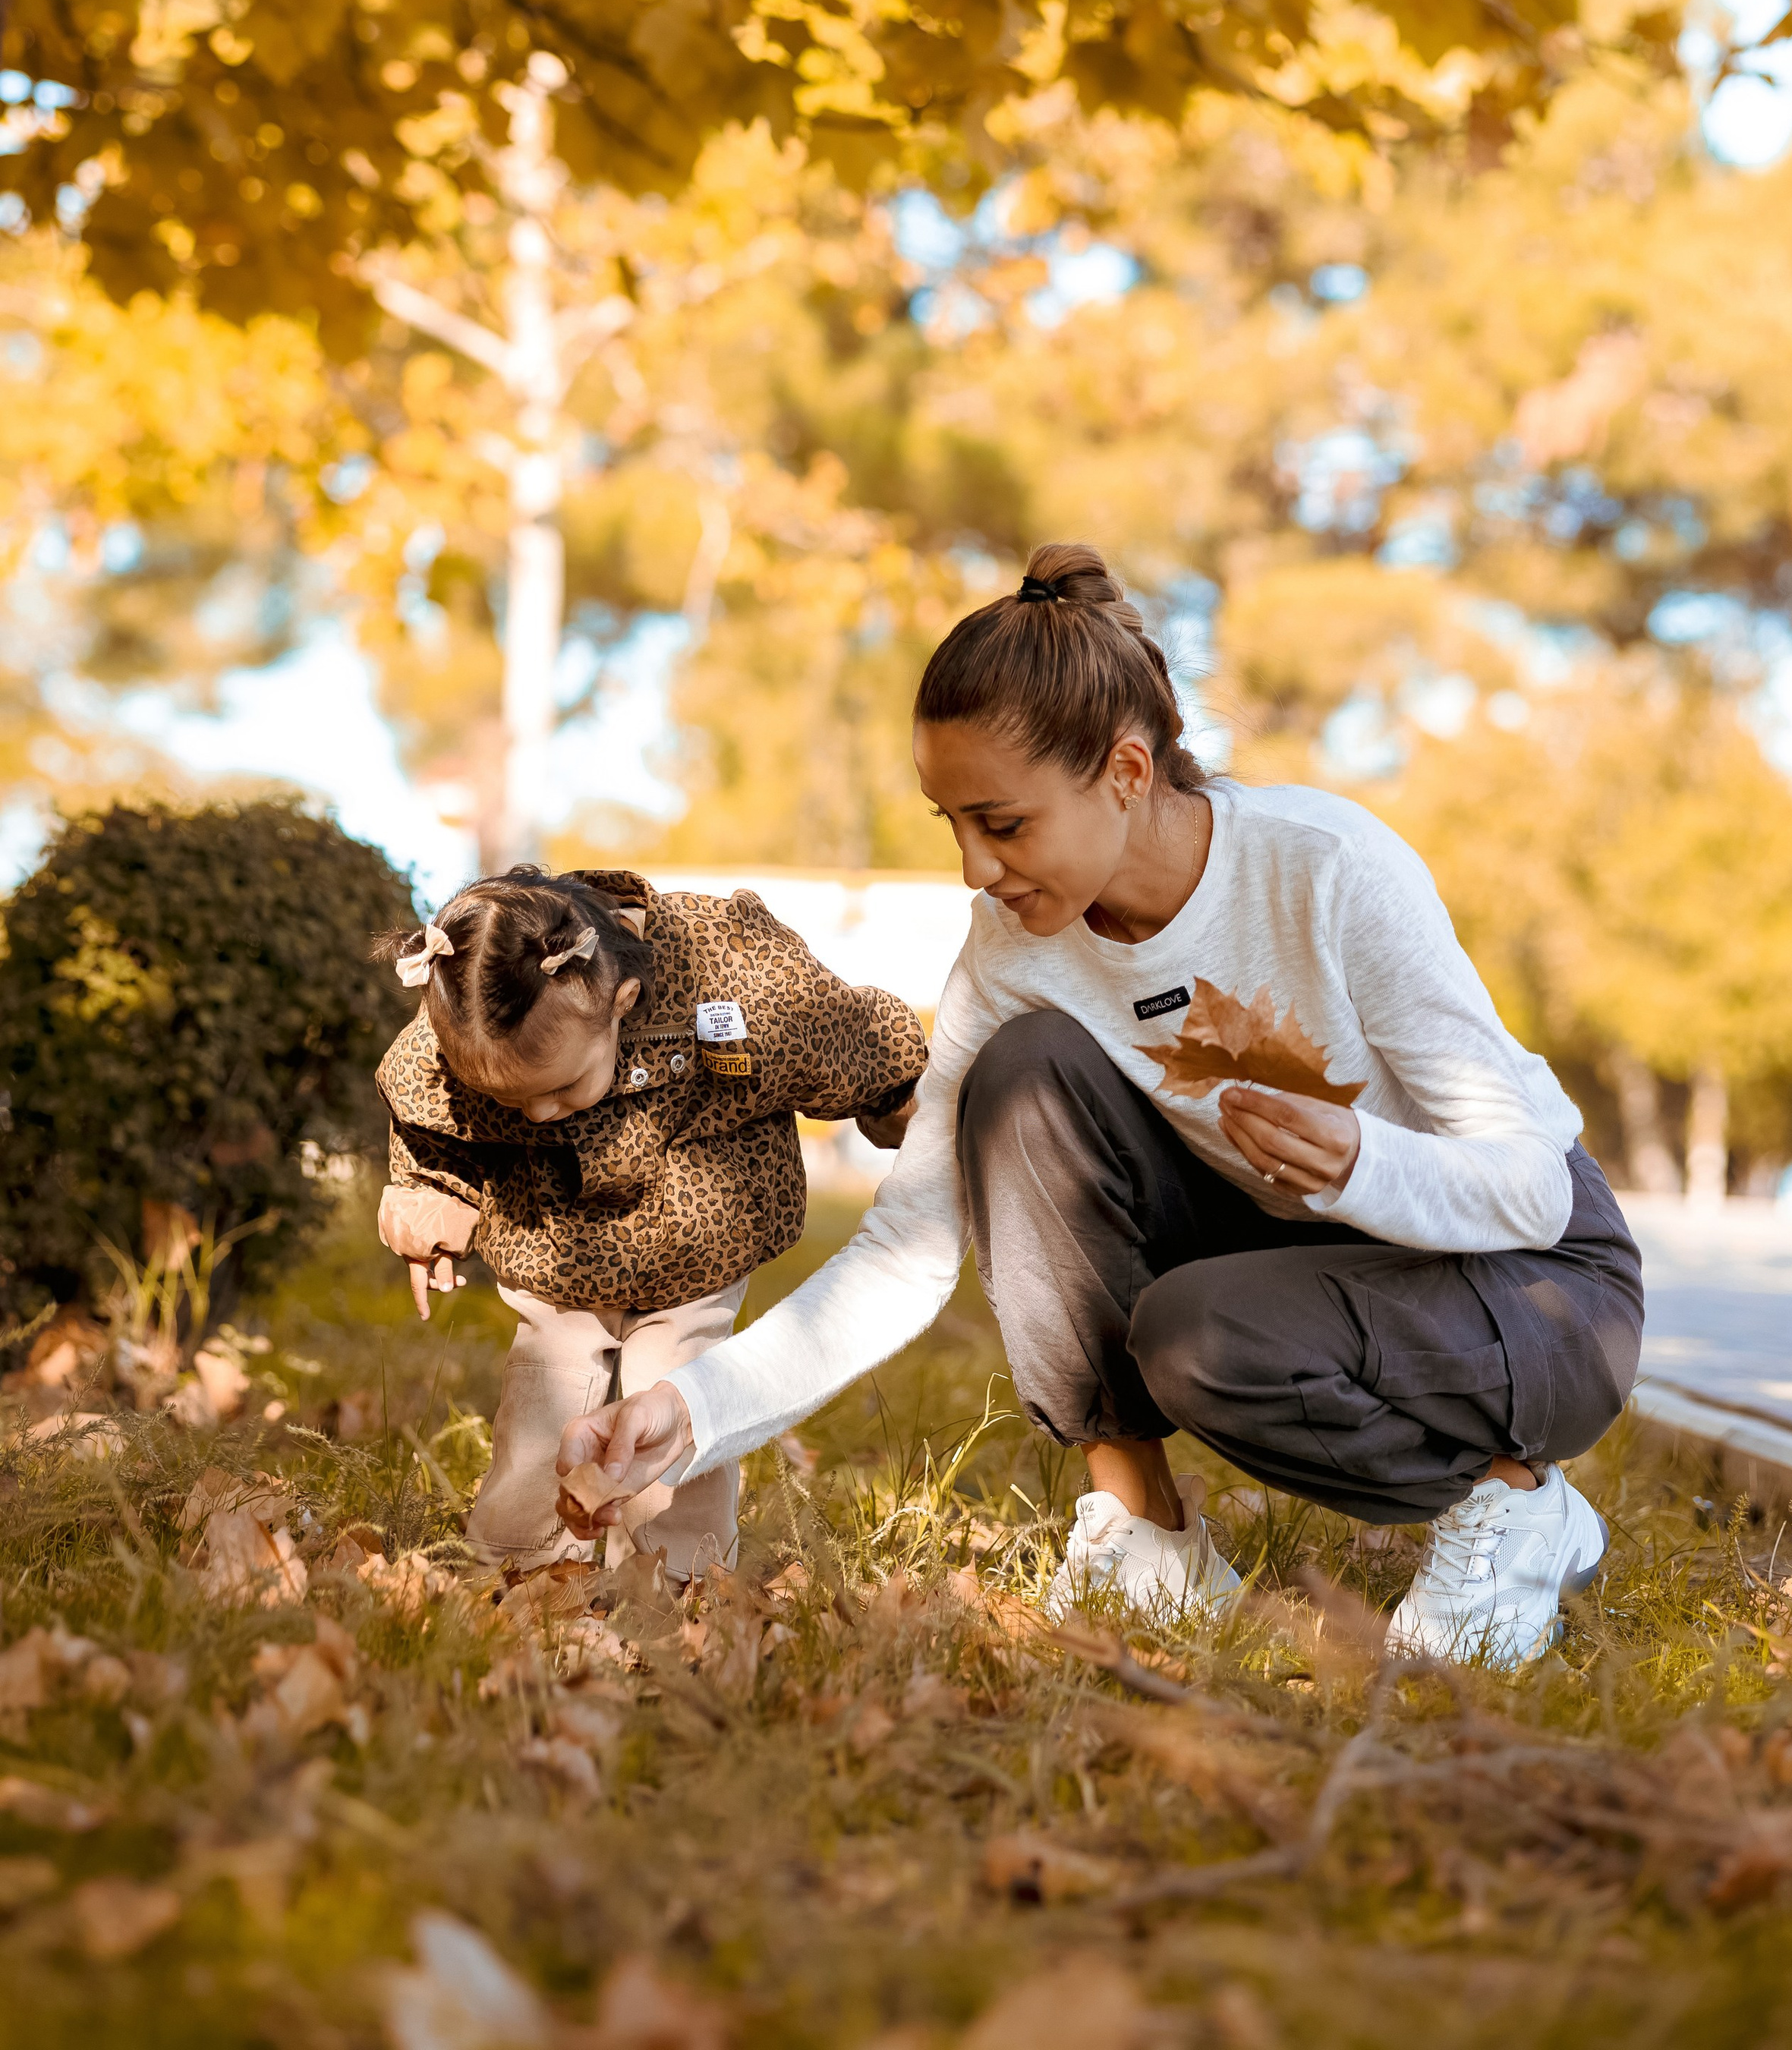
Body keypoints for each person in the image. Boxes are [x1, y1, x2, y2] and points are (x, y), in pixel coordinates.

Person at [555, 553, 1645, 1664]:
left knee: (1200, 1335)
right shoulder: (1016, 954)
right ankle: (1148, 1536)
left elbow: (1532, 1184)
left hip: (1533, 1285)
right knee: (1021, 1080)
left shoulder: (1325, 869)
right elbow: (905, 1250)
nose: (976, 868)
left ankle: (1517, 1504)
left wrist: (1366, 1162)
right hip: (1302, 1269)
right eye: (951, 824)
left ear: (1127, 770)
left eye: (1004, 823)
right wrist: (688, 1415)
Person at [373, 862, 924, 1583]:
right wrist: (428, 1190)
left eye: (563, 1087)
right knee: (547, 1395)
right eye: (511, 1102)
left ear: (623, 1002)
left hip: (695, 1249)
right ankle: (519, 1567)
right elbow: (428, 1117)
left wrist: (898, 1096)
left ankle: (678, 1579)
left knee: (676, 1393)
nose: (537, 1112)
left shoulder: (733, 977)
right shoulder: (476, 1013)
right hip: (554, 1249)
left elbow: (835, 1033)